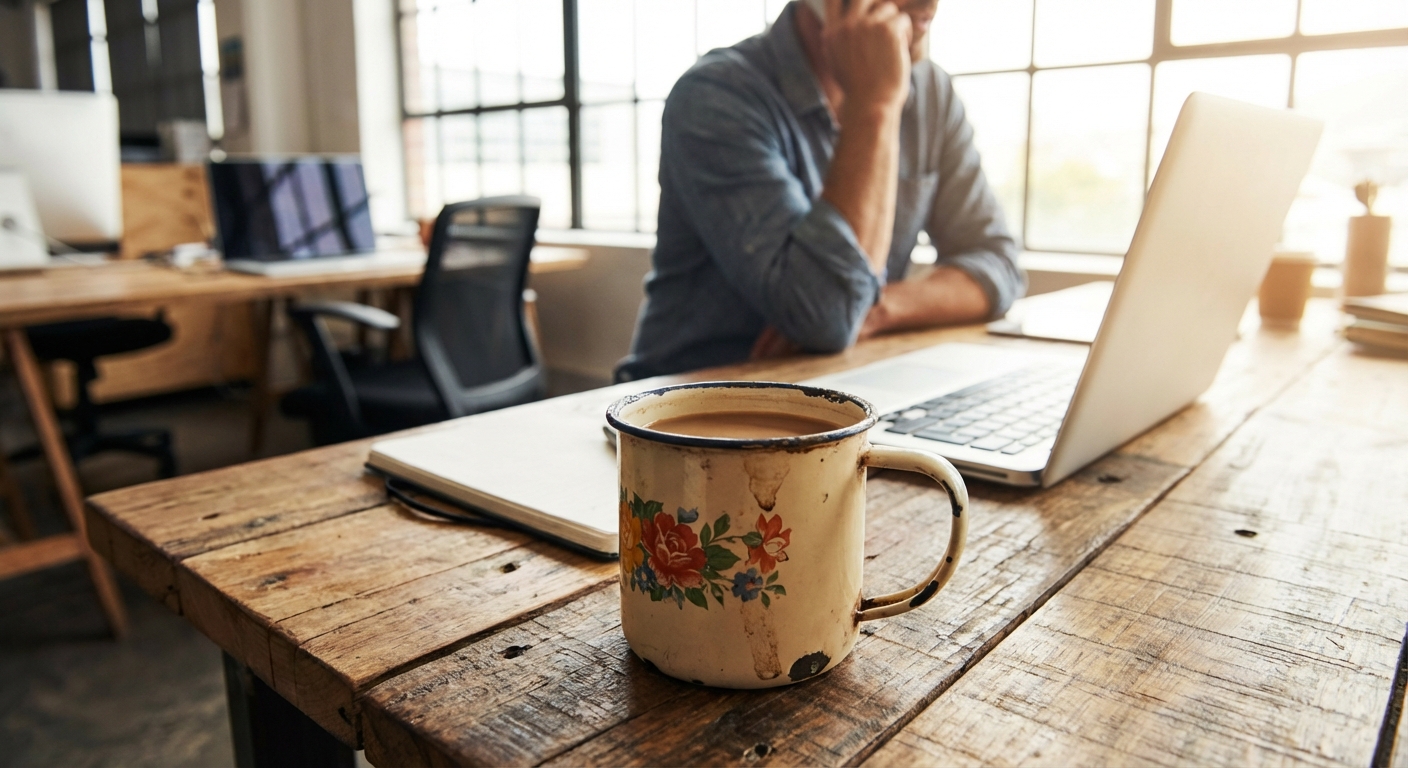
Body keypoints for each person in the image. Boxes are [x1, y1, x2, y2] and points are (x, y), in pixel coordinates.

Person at [615, 0, 1025, 381]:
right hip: (686, 412)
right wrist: (874, 107)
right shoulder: (715, 94)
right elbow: (827, 316)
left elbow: (999, 264)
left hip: (839, 386)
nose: (930, 4)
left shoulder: (930, 91)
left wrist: (876, 310)